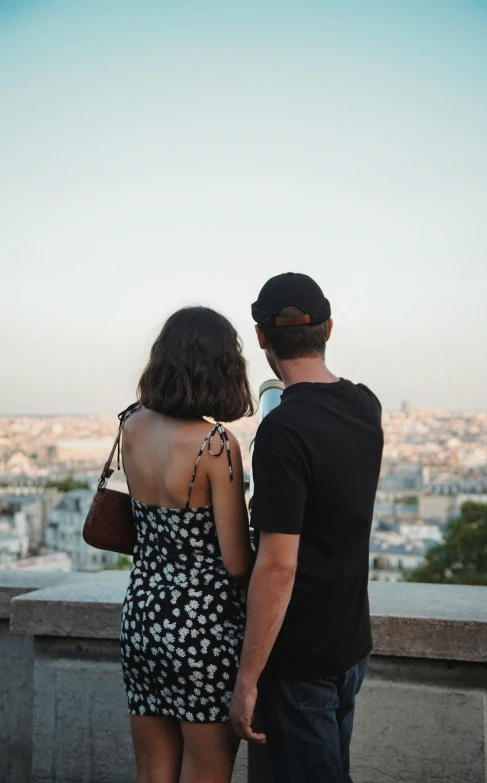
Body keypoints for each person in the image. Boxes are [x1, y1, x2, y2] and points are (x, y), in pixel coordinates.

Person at [230, 273, 383, 783]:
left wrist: (247, 681)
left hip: (300, 659)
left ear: (261, 337)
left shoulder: (282, 430)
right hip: (350, 643)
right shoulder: (367, 406)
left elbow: (277, 564)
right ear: (329, 328)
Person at [120, 306, 254, 783]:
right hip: (203, 628)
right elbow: (236, 561)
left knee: (153, 772)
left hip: (142, 615)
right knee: (207, 774)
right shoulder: (216, 444)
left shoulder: (130, 425)